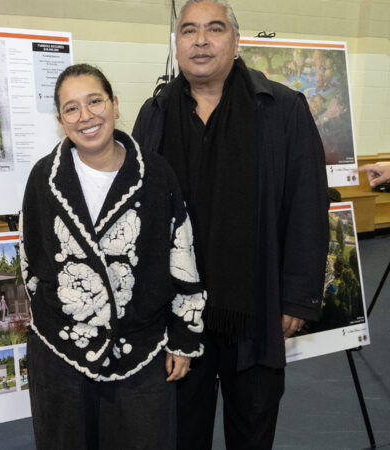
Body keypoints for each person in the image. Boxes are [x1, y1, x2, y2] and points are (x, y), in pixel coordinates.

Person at [131, 1, 329, 448]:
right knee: (182, 432)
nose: (200, 40)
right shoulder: (155, 113)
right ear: (177, 43)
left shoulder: (281, 108)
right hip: (177, 314)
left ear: (236, 41)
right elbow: (140, 214)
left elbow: (308, 206)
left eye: (214, 29)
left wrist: (298, 296)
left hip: (255, 308)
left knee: (253, 430)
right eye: (189, 30)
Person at [20, 63, 207, 450]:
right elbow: (31, 261)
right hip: (62, 352)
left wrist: (183, 337)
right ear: (60, 120)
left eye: (94, 101)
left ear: (115, 104)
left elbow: (182, 252)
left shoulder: (156, 174)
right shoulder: (43, 178)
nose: (85, 116)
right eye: (71, 108)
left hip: (142, 350)